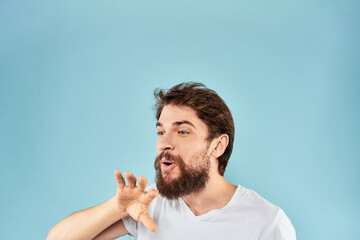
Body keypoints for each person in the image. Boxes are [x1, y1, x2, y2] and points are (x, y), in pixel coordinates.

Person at [47, 82, 296, 240]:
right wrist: (116, 208)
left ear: (218, 145)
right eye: (160, 131)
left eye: (183, 131)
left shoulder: (267, 221)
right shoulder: (149, 206)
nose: (164, 142)